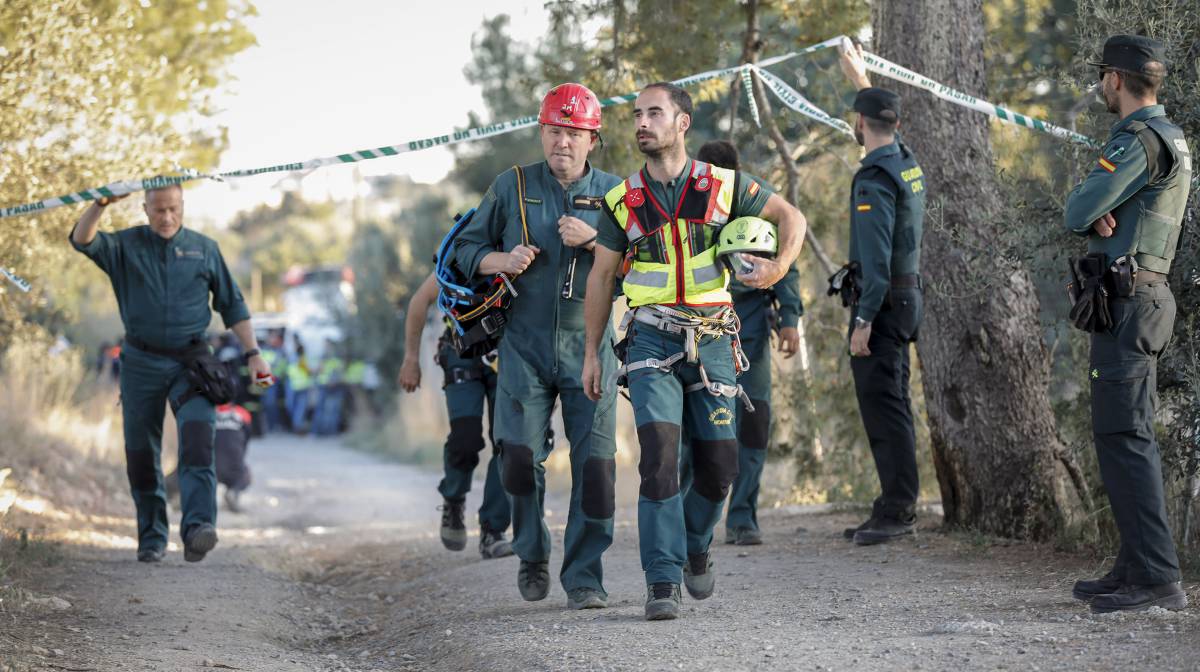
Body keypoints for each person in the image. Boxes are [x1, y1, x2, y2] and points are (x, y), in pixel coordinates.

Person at [582, 82, 806, 620]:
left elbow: (790, 219)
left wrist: (777, 270)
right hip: (650, 338)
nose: (642, 122)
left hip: (713, 340)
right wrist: (593, 352)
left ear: (682, 123)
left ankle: (695, 543)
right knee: (658, 460)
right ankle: (662, 581)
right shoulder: (621, 201)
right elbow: (602, 276)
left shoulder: (723, 186)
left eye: (654, 113)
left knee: (720, 467)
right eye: (637, 115)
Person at [453, 83, 622, 610]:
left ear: (592, 138)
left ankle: (585, 577)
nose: (562, 143)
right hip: (522, 347)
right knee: (517, 459)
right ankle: (531, 552)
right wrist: (498, 261)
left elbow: (646, 265)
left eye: (573, 133)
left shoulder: (618, 193)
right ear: (541, 133)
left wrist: (595, 242)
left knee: (595, 468)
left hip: (589, 346)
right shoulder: (512, 185)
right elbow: (462, 248)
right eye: (553, 131)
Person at [69, 183, 272, 563]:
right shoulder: (125, 246)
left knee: (198, 438)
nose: (166, 217)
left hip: (192, 363)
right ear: (145, 209)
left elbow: (233, 305)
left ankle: (198, 528)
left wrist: (254, 355)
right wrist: (99, 205)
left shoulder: (204, 249)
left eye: (173, 209)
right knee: (141, 452)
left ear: (183, 207)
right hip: (141, 362)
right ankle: (152, 535)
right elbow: (82, 240)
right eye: (159, 210)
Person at [1063, 35, 1190, 613]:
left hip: (1132, 298)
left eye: (1101, 77)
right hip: (1135, 297)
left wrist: (1095, 203)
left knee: (1127, 437)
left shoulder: (1138, 140)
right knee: (1119, 435)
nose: (1100, 86)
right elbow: (1096, 210)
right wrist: (1105, 206)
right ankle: (1135, 563)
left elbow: (1076, 210)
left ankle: (1158, 578)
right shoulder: (1165, 136)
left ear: (1115, 79)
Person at [678, 140, 804, 547]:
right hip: (697, 331)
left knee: (753, 423)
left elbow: (787, 263)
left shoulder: (754, 203)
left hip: (749, 332)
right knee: (696, 427)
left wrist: (789, 319)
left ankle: (743, 517)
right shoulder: (683, 203)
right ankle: (684, 516)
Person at [834, 42, 927, 547]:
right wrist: (862, 80)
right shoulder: (904, 160)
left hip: (883, 304)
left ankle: (897, 509)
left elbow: (875, 255)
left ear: (861, 125)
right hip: (907, 299)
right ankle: (894, 501)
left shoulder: (873, 178)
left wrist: (864, 320)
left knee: (884, 405)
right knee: (893, 401)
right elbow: (883, 120)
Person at [400, 273, 513, 559]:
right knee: (465, 439)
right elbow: (419, 300)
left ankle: (493, 530)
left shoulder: (522, 244)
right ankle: (453, 498)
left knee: (509, 442)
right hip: (463, 351)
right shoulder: (461, 248)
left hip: (512, 354)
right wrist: (411, 359)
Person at [214, 403, 253, 513]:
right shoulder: (243, 414)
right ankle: (234, 491)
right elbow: (246, 440)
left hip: (209, 467)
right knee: (246, 475)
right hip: (234, 469)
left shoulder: (206, 413)